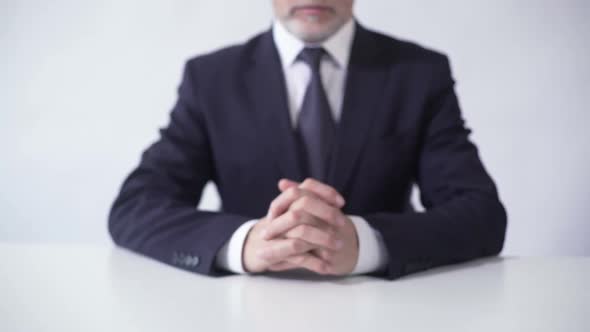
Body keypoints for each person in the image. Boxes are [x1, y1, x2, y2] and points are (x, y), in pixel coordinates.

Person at [108, 0, 507, 280]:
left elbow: (481, 213)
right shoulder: (211, 78)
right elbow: (136, 206)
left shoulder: (419, 74)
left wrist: (367, 243)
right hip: (242, 312)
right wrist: (243, 243)